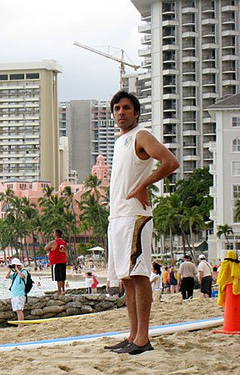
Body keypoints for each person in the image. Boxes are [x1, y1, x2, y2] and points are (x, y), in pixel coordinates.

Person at [105, 91, 179, 355]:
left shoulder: (141, 135)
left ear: (136, 112)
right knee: (126, 277)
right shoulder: (119, 141)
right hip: (118, 216)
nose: (121, 112)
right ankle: (133, 335)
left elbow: (170, 162)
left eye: (126, 108)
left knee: (138, 274)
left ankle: (143, 338)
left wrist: (144, 185)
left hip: (135, 216)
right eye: (117, 108)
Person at [44, 229, 68, 295]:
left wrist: (50, 249)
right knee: (63, 277)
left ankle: (59, 292)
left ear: (56, 234)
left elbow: (46, 248)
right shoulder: (63, 242)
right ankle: (63, 290)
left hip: (56, 261)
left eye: (54, 233)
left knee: (58, 278)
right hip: (63, 260)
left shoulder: (54, 242)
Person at [6, 258, 28, 323]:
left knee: (19, 310)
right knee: (17, 310)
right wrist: (11, 269)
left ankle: (21, 325)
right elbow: (7, 277)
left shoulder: (24, 271)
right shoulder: (15, 273)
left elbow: (22, 276)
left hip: (20, 294)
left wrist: (17, 269)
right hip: (14, 294)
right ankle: (20, 324)